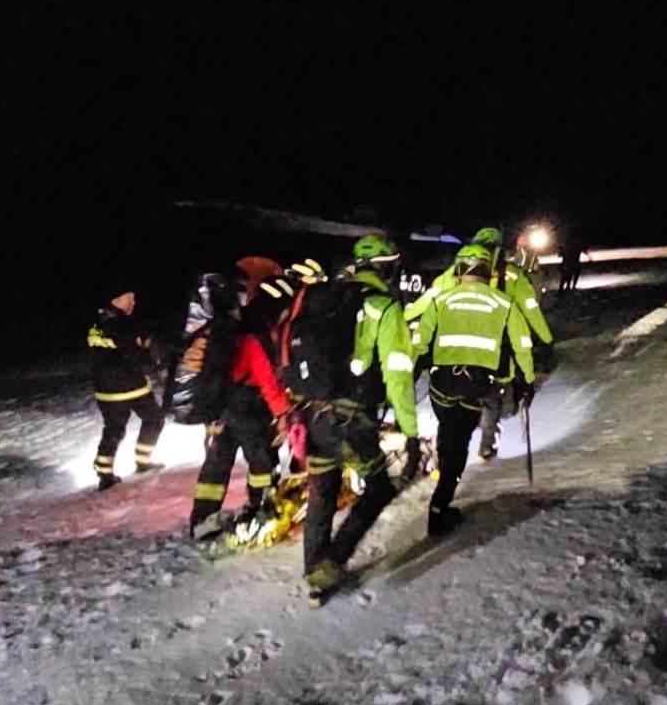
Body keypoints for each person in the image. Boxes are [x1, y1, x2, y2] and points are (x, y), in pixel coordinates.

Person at [296, 235, 420, 603]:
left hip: (314, 415)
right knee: (379, 488)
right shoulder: (384, 307)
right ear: (385, 267)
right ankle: (329, 565)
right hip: (351, 421)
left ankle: (314, 570)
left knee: (322, 494)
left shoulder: (325, 300)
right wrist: (410, 432)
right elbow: (398, 374)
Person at [412, 243, 535, 535]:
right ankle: (440, 509)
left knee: (447, 434)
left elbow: (419, 343)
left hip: (441, 387)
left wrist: (408, 377)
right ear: (485, 270)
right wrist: (526, 380)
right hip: (474, 388)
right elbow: (522, 345)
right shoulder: (503, 303)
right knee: (458, 446)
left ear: (459, 269)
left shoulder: (440, 300)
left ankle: (442, 490)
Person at [188, 275, 295, 539]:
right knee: (260, 462)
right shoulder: (252, 338)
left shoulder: (223, 332)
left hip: (219, 409)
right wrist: (282, 412)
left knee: (215, 466)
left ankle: (201, 518)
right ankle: (260, 510)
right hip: (247, 408)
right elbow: (267, 379)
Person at [476, 228, 553, 459]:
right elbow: (532, 307)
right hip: (502, 337)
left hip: (465, 337)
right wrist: (546, 340)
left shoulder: (460, 272)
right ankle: (487, 440)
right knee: (496, 388)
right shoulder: (511, 272)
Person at [88, 283, 166, 491]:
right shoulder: (123, 325)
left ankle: (104, 473)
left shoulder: (96, 323)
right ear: (115, 300)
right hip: (131, 386)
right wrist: (153, 360)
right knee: (154, 419)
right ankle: (143, 461)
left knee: (113, 429)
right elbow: (137, 355)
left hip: (105, 389)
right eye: (128, 297)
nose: (133, 301)